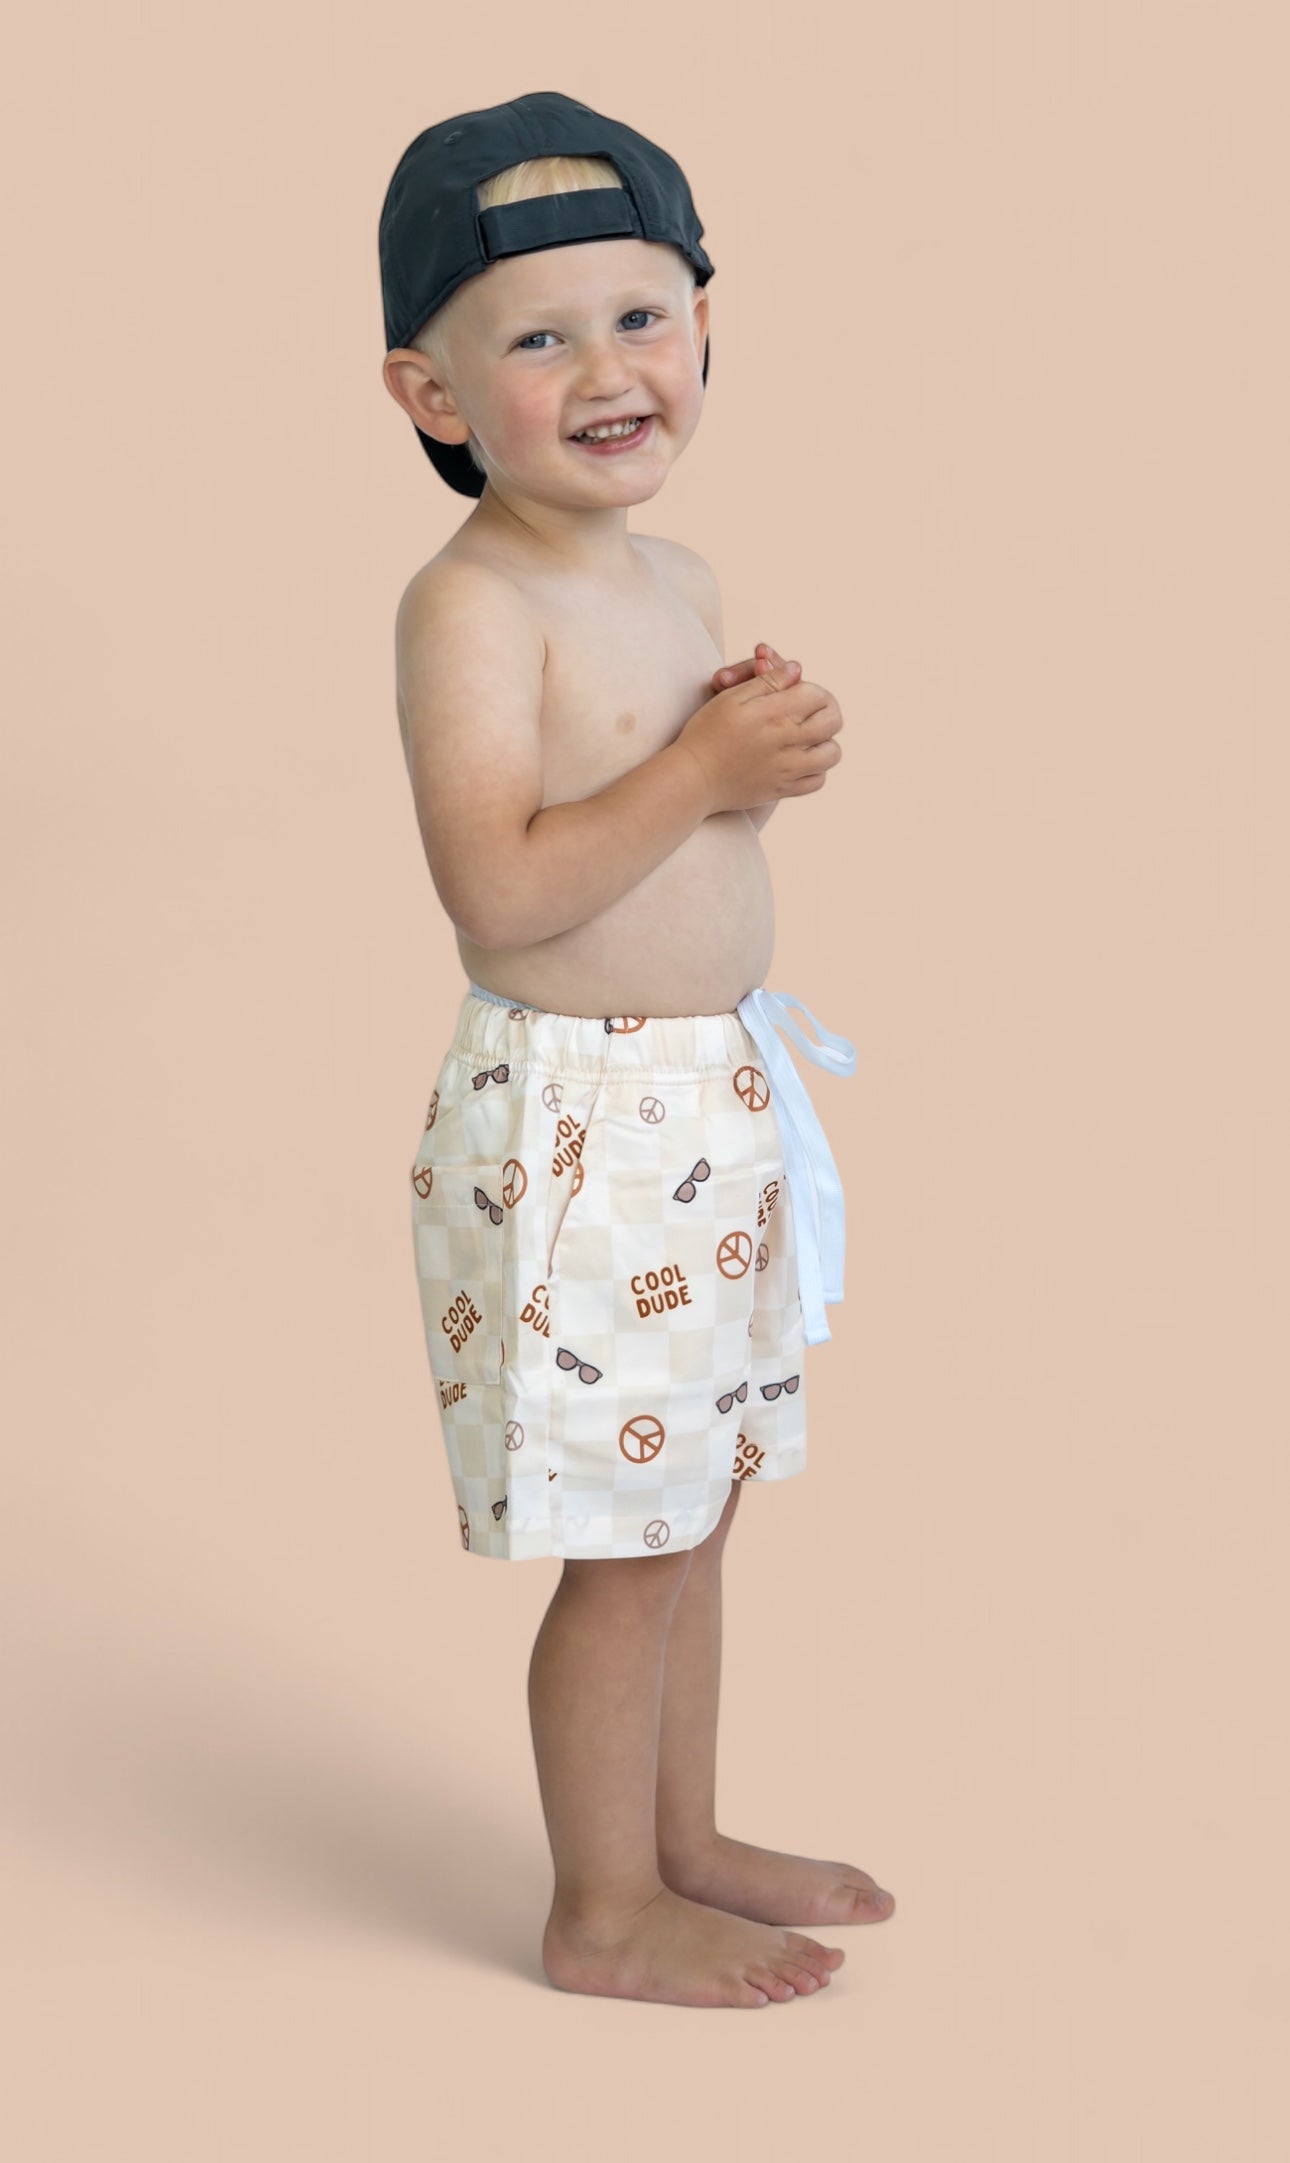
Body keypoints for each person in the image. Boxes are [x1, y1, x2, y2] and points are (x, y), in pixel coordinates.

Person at [379, 91, 894, 2009]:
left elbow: (669, 832)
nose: (608, 370)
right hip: (583, 1127)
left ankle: (677, 1838)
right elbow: (501, 886)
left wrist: (753, 756)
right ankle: (599, 1910)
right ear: (431, 394)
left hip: (711, 1097)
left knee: (700, 1508)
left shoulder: (674, 582)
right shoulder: (471, 605)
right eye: (539, 337)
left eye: (641, 317)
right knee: (628, 1539)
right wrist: (695, 771)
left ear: (700, 330)